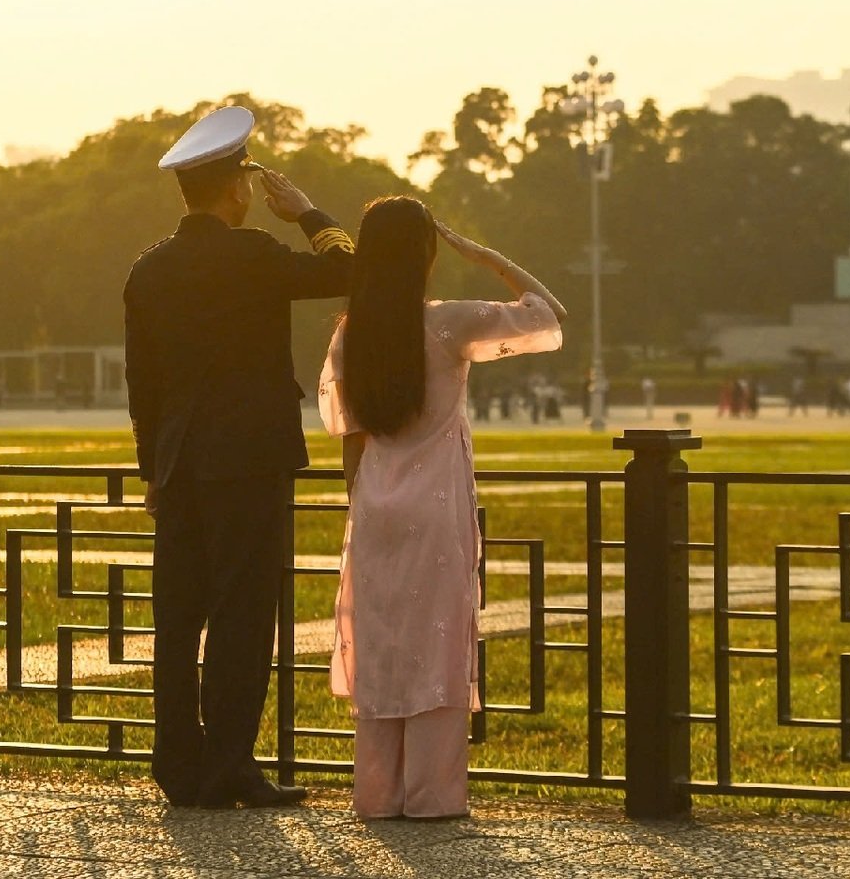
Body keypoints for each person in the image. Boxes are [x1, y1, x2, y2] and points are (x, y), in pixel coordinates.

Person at [124, 105, 355, 810]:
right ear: (237, 187)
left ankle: (178, 766)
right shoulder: (254, 255)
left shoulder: (148, 270)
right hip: (250, 461)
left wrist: (153, 470)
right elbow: (351, 271)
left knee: (176, 619)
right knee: (242, 617)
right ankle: (228, 765)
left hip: (179, 467)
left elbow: (142, 386)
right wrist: (309, 214)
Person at [321, 200, 564, 820]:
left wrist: (358, 505)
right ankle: (432, 795)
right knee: (437, 643)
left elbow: (349, 438)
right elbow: (548, 316)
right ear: (425, 256)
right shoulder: (449, 324)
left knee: (381, 647)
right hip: (436, 505)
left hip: (375, 502)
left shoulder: (351, 333)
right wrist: (487, 258)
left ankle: (379, 794)